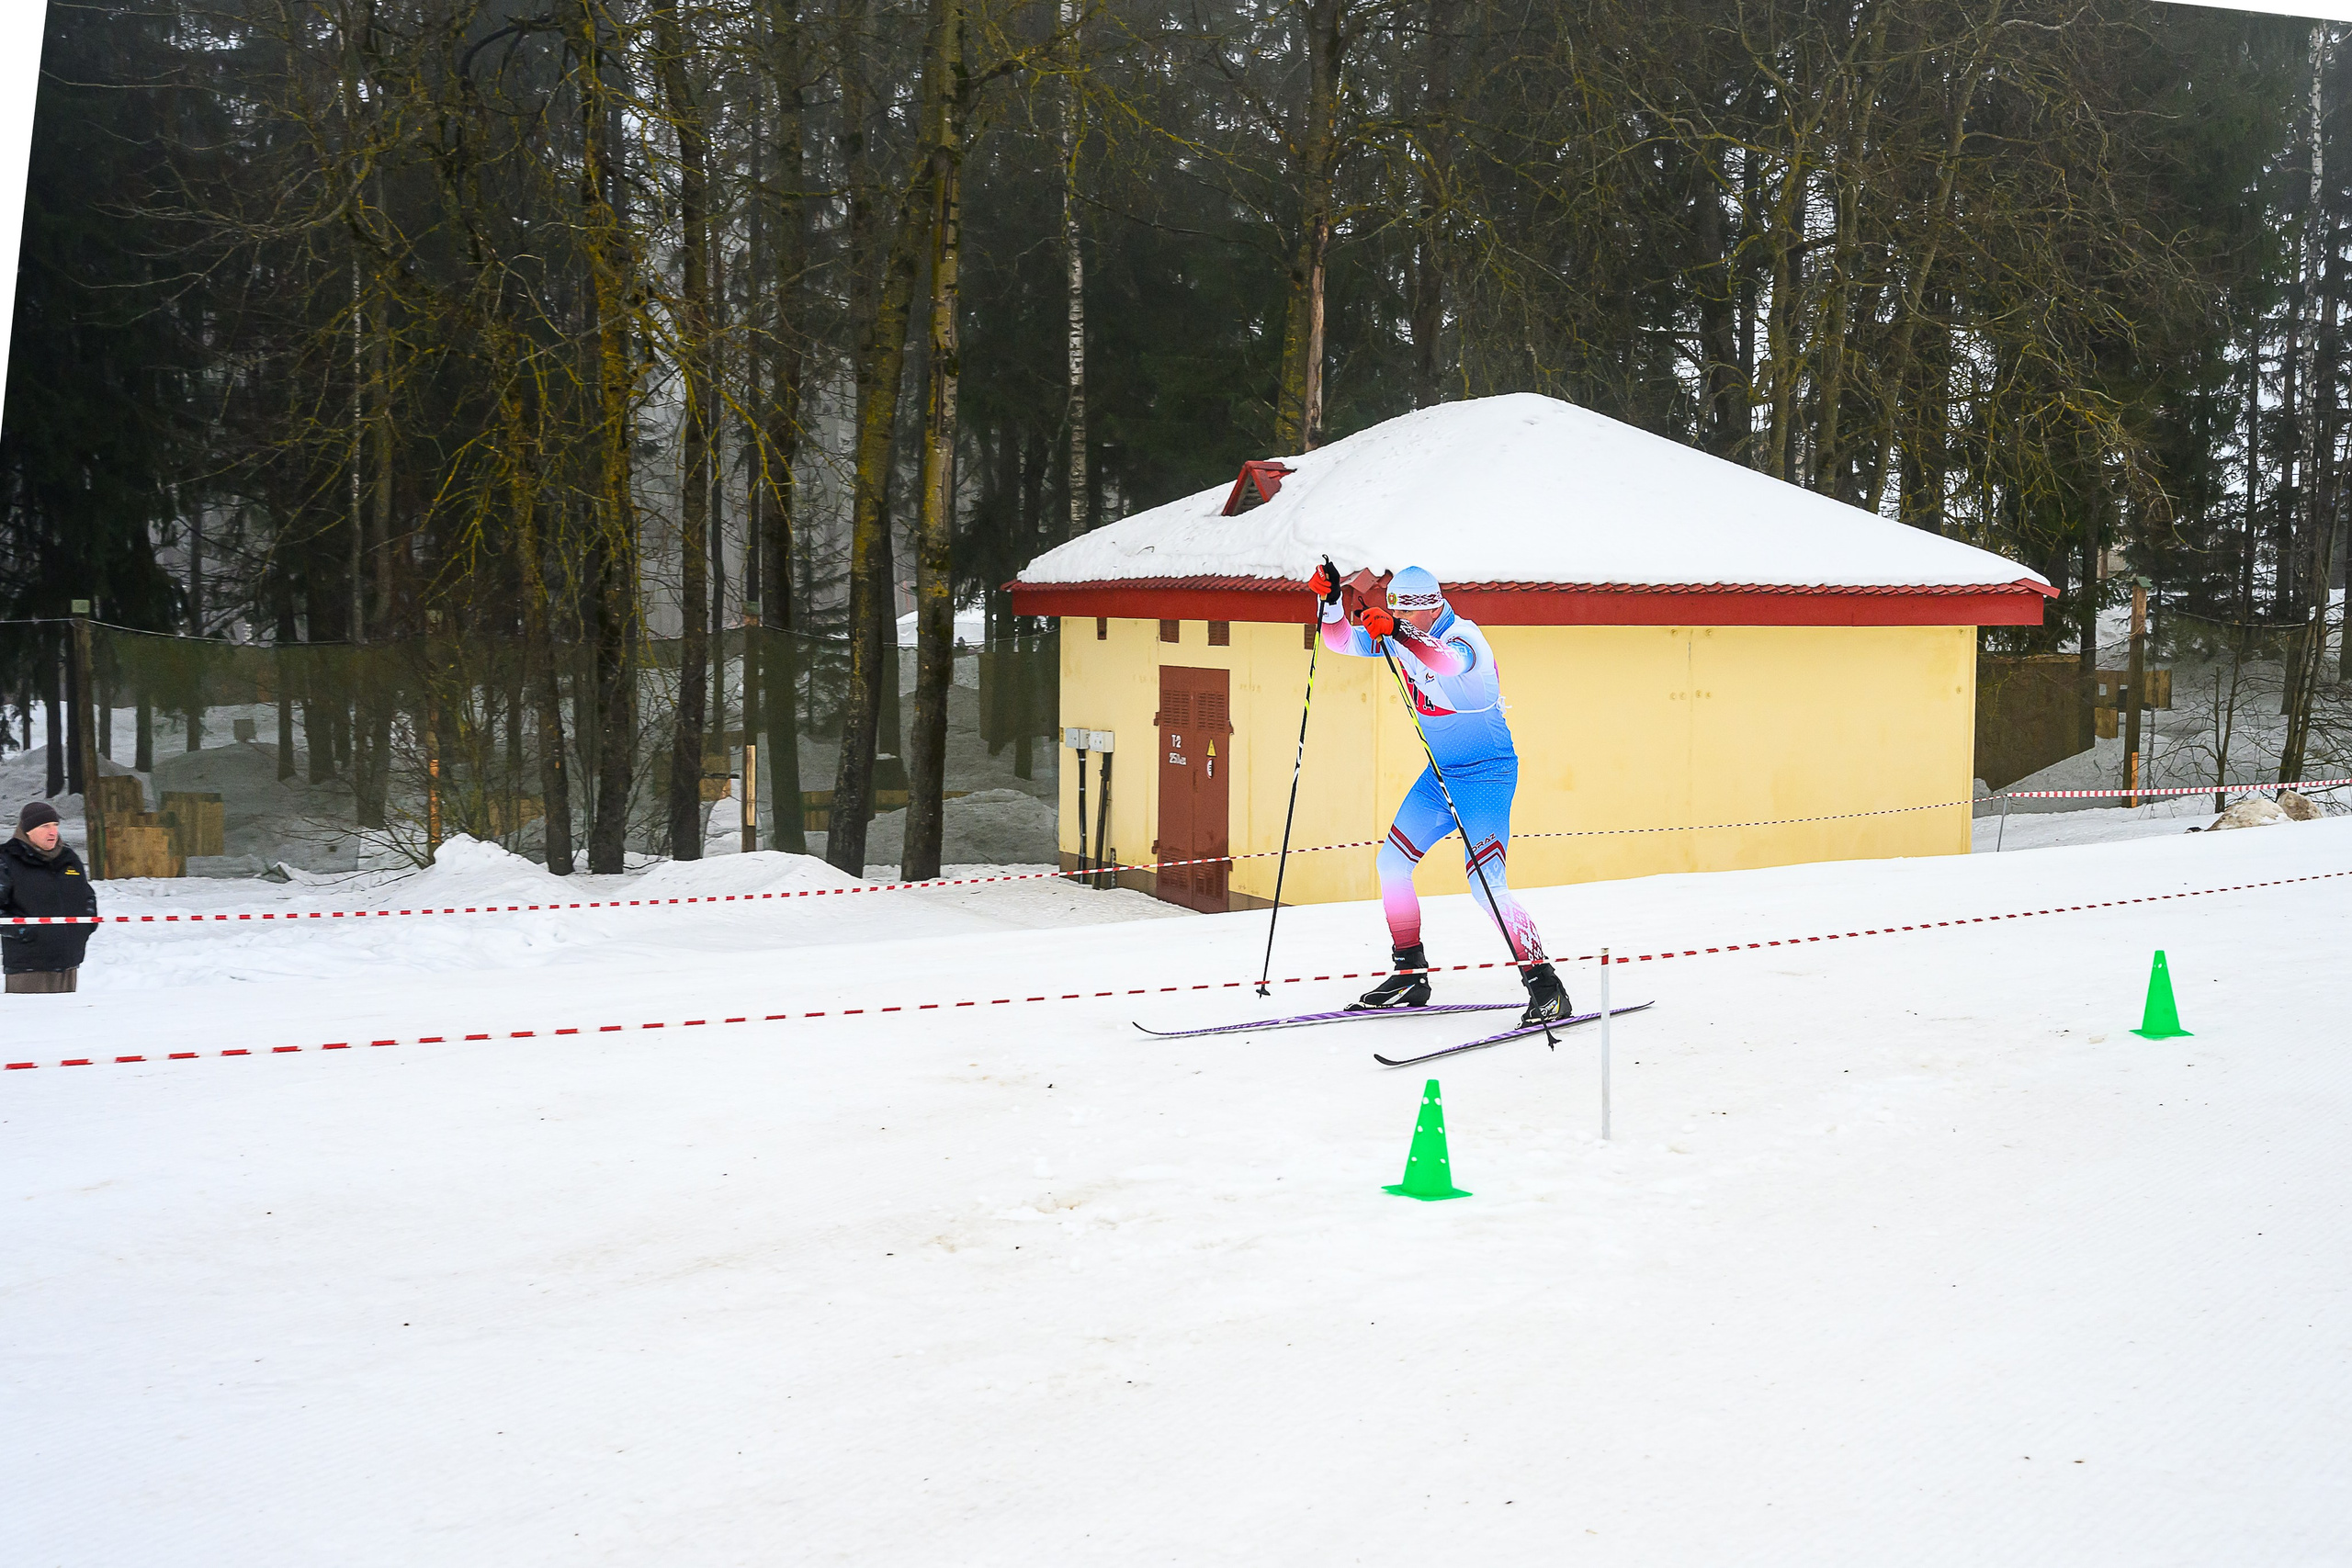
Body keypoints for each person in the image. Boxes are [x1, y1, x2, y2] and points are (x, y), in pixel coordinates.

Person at [1308, 559, 1568, 1026]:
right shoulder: (1404, 631)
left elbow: (1445, 662)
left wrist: (1399, 632)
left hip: (1486, 777)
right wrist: (1329, 603)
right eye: (1397, 616)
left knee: (1485, 886)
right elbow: (1341, 641)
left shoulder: (1464, 637)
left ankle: (1546, 984)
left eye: (1408, 617)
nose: (1402, 624)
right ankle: (1410, 973)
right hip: (1441, 774)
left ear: (1431, 609)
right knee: (1391, 865)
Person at [1, 801, 97, 994]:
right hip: (28, 967)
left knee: (67, 1022)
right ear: (27, 830)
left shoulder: (69, 858)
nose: (52, 832)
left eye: (55, 825)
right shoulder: (7, 858)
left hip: (68, 964)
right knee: (31, 1021)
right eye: (45, 826)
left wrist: (86, 925)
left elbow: (87, 896)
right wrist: (23, 931)